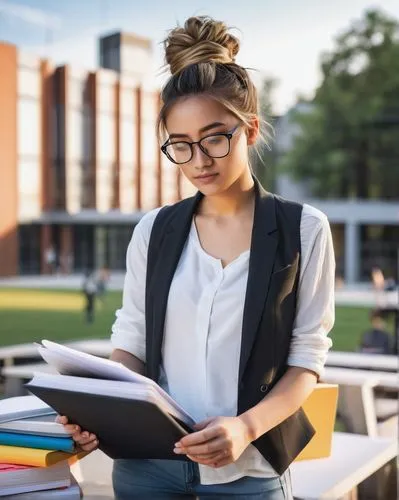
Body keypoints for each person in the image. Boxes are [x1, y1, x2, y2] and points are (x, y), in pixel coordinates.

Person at [57, 16, 335, 499]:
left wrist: (245, 428)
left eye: (213, 138)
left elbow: (306, 359)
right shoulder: (155, 230)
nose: (199, 161)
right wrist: (99, 405)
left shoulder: (304, 229)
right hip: (148, 467)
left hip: (250, 472)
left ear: (248, 130)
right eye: (181, 146)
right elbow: (133, 340)